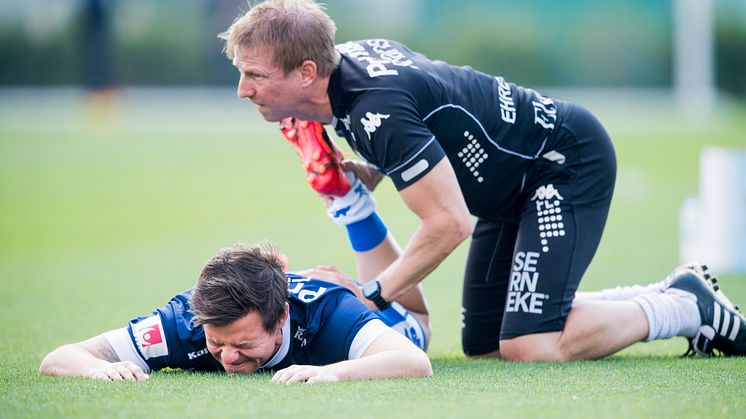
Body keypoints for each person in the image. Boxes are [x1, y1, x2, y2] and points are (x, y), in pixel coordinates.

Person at [218, 0, 746, 360]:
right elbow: (424, 109)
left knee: (531, 345)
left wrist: (373, 293)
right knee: (490, 343)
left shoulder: (378, 108)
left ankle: (685, 307)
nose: (244, 90)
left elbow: (448, 223)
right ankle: (665, 292)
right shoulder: (351, 78)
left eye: (256, 76)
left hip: (560, 165)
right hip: (510, 188)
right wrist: (373, 169)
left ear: (307, 73)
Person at [39, 212, 432, 382]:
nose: (227, 356)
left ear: (280, 320)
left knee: (416, 327)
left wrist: (332, 371)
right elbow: (58, 359)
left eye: (243, 344)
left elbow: (415, 362)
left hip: (382, 317)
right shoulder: (184, 321)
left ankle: (352, 205)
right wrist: (96, 369)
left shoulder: (328, 313)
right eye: (216, 342)